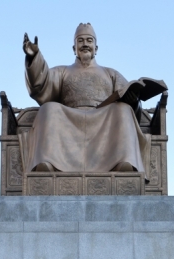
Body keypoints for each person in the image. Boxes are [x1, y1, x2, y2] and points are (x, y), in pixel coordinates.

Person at [21, 23, 150, 174]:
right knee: (48, 108)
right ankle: (48, 162)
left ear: (96, 48)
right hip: (70, 118)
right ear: (74, 48)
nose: (85, 44)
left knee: (123, 109)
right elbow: (42, 83)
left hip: (103, 119)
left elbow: (126, 95)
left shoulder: (110, 73)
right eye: (80, 41)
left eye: (89, 40)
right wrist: (34, 57)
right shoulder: (63, 71)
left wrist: (133, 100)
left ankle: (123, 161)